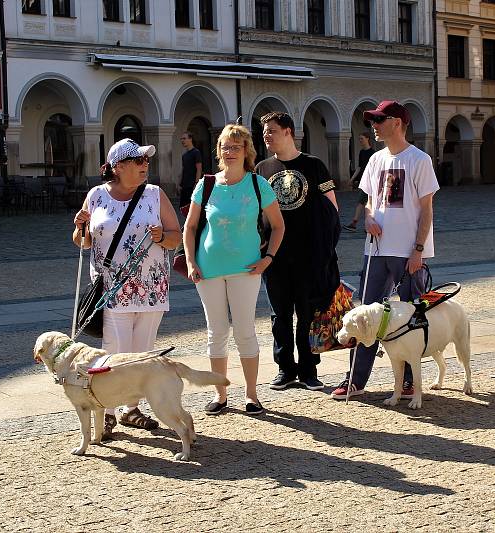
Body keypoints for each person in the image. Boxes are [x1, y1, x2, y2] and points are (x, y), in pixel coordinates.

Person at [72, 138, 182, 437]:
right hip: (111, 289)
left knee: (142, 353)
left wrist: (161, 236)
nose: (146, 165)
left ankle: (131, 409)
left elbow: (176, 238)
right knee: (113, 353)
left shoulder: (155, 195)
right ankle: (106, 411)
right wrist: (80, 227)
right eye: (139, 161)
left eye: (147, 161)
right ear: (118, 166)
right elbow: (83, 242)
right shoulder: (96, 196)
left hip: (150, 289)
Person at [330, 100, 440, 400]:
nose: (374, 125)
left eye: (380, 119)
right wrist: (366, 216)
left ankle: (407, 380)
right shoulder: (376, 159)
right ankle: (355, 378)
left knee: (411, 317)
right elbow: (369, 200)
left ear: (398, 122)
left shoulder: (419, 160)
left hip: (408, 252)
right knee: (365, 315)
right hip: (376, 250)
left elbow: (427, 210)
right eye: (373, 120)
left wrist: (418, 250)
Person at [183, 124, 285, 416]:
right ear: (219, 151)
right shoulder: (207, 184)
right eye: (225, 147)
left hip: (246, 269)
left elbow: (278, 226)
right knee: (216, 332)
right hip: (208, 270)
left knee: (244, 331)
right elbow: (190, 228)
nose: (229, 152)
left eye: (235, 147)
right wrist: (191, 262)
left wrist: (268, 259)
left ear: (246, 151)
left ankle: (252, 395)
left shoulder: (257, 184)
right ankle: (221, 393)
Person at [256, 112, 340, 392]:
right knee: (279, 316)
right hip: (275, 255)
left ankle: (308, 369)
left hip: (308, 256)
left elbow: (332, 209)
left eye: (272, 131)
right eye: (264, 132)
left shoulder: (314, 165)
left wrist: (327, 250)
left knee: (308, 314)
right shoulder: (261, 169)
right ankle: (285, 369)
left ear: (289, 132)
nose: (266, 136)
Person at [343, 133, 375, 232]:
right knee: (364, 203)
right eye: (359, 139)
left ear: (367, 139)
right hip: (364, 181)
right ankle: (361, 224)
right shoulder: (361, 152)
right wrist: (352, 179)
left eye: (361, 139)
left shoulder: (373, 153)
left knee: (365, 203)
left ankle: (357, 224)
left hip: (371, 181)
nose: (360, 141)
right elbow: (359, 167)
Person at [178, 131, 203, 211]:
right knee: (183, 208)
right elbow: (183, 169)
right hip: (185, 185)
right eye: (181, 139)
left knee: (191, 208)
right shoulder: (184, 155)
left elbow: (199, 169)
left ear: (190, 139)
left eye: (184, 138)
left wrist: (196, 183)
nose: (182, 141)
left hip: (192, 184)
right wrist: (180, 183)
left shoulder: (196, 153)